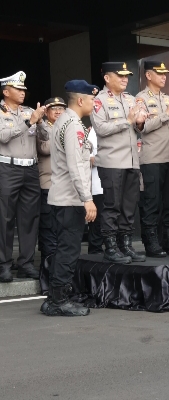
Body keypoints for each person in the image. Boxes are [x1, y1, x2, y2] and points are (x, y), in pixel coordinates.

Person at [41, 79, 98, 317]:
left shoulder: (63, 121)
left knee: (62, 249)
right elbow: (76, 166)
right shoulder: (73, 125)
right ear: (81, 100)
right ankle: (58, 301)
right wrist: (87, 198)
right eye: (92, 99)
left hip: (60, 197)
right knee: (68, 251)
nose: (94, 103)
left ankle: (55, 297)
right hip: (70, 199)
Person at [91, 62, 146, 264]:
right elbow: (101, 128)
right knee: (112, 206)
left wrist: (140, 123)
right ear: (107, 78)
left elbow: (138, 129)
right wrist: (129, 121)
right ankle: (111, 246)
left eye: (126, 76)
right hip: (112, 161)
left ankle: (126, 245)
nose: (125, 79)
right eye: (120, 75)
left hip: (132, 161)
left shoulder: (130, 99)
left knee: (129, 206)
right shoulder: (99, 100)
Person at [135, 61, 169, 257]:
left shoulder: (167, 98)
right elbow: (143, 127)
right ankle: (151, 243)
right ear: (148, 75)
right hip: (152, 158)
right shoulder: (140, 99)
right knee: (152, 202)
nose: (164, 76)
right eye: (159, 73)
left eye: (165, 73)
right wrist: (166, 113)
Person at [0, 71, 47, 283]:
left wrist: (41, 121)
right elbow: (3, 136)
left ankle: (26, 263)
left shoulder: (29, 111)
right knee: (5, 218)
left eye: (24, 89)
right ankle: (3, 265)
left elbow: (44, 136)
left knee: (29, 218)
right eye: (18, 89)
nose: (22, 92)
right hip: (7, 168)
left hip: (30, 169)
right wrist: (29, 122)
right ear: (5, 91)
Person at [37, 97, 66, 266]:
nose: (58, 111)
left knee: (63, 227)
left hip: (66, 186)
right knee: (48, 227)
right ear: (46, 112)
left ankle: (61, 264)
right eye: (53, 108)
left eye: (61, 108)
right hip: (48, 183)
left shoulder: (69, 126)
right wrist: (66, 140)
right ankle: (48, 265)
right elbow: (44, 148)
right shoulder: (41, 128)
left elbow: (86, 145)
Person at [87, 124, 104, 254]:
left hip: (115, 181)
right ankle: (95, 249)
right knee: (97, 218)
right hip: (97, 182)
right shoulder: (94, 130)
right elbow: (89, 158)